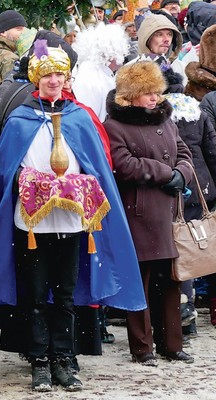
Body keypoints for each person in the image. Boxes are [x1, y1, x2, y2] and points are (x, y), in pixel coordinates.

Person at [0, 41, 146, 392]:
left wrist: (81, 186)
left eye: (59, 74)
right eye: (47, 74)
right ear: (36, 78)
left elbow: (97, 168)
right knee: (38, 295)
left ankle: (64, 357)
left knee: (67, 295)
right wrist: (28, 182)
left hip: (73, 223)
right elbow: (2, 173)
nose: (54, 80)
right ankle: (40, 359)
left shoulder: (79, 118)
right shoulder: (20, 119)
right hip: (32, 223)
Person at [104, 60, 194, 366]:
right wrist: (164, 173)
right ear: (130, 95)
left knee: (171, 281)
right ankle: (142, 347)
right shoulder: (115, 125)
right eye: (146, 92)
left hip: (168, 212)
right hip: (139, 214)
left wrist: (182, 173)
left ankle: (172, 344)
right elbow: (123, 163)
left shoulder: (165, 120)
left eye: (156, 91)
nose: (154, 97)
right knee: (138, 283)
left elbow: (184, 152)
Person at [72, 23, 130, 122]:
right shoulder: (90, 78)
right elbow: (87, 119)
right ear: (111, 51)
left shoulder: (102, 74)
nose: (123, 54)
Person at [136, 13, 186, 84]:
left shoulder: (181, 67)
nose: (166, 39)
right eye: (159, 34)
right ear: (146, 38)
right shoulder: (129, 70)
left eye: (169, 34)